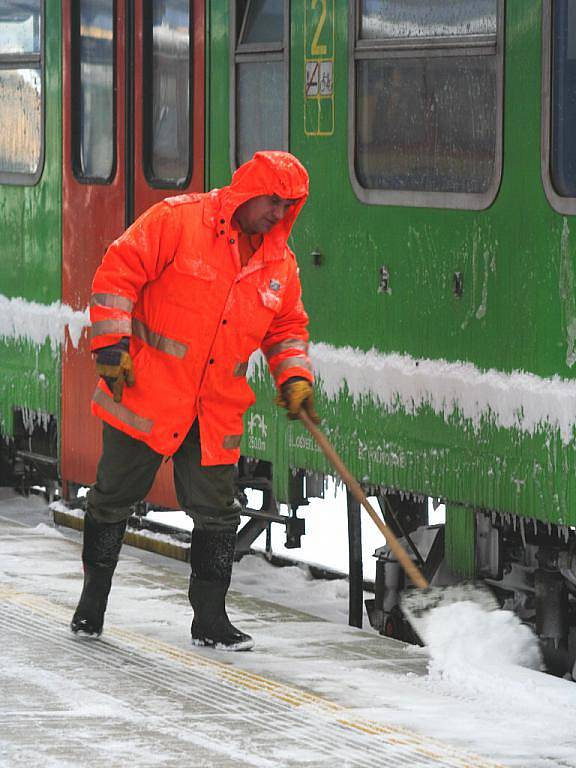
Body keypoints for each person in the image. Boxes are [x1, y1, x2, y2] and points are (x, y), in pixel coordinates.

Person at [71, 151, 319, 651]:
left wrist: (294, 376)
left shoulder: (280, 266)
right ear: (249, 191)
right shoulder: (178, 222)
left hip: (214, 407)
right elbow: (118, 273)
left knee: (218, 514)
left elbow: (287, 328)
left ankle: (210, 620)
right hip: (146, 390)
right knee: (112, 500)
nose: (279, 213)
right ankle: (91, 605)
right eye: (273, 200)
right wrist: (111, 345)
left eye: (289, 205)